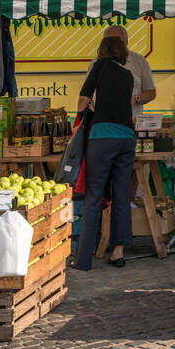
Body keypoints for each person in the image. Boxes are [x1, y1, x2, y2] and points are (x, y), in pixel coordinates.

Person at [73, 36, 137, 269]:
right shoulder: (128, 75)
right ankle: (118, 252)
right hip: (127, 139)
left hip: (103, 138)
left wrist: (83, 116)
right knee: (121, 194)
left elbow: (83, 98)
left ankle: (83, 259)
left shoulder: (100, 66)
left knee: (94, 195)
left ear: (103, 50)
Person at [93, 24, 157, 115]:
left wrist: (135, 98)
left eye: (117, 41)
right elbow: (86, 96)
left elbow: (151, 93)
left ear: (126, 41)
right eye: (110, 41)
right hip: (103, 121)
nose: (114, 45)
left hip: (131, 122)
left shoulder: (139, 61)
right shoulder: (96, 63)